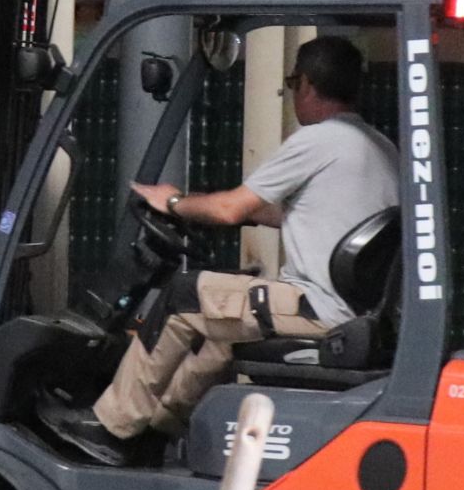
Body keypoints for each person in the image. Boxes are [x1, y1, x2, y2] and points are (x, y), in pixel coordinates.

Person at [39, 34, 399, 465]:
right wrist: (202, 207)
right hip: (350, 311)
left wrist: (174, 202)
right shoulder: (379, 147)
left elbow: (230, 209)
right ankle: (160, 431)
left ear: (306, 84)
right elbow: (296, 214)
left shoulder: (319, 140)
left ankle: (112, 427)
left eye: (293, 84)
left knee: (183, 295)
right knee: (219, 332)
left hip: (318, 308)